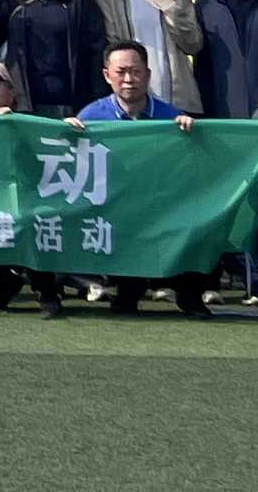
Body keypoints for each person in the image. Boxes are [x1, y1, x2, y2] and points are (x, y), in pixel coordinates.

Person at [74, 41, 211, 318]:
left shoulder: (171, 116)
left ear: (147, 75)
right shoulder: (91, 117)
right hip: (114, 207)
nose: (129, 79)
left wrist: (193, 135)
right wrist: (67, 133)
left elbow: (194, 167)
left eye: (136, 72)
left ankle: (189, 294)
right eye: (121, 72)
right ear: (107, 75)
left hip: (164, 205)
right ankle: (127, 289)